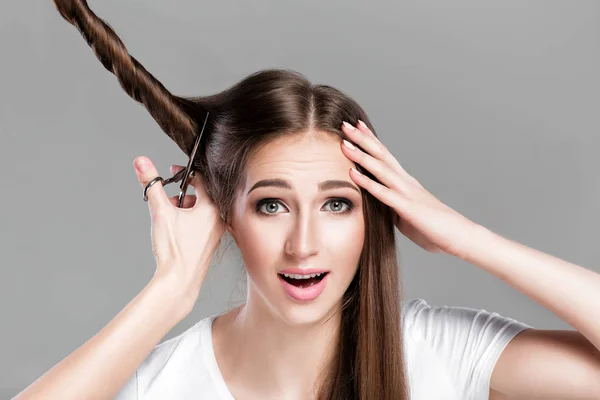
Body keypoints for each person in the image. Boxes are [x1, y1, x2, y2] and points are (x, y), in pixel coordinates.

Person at [15, 1, 600, 399]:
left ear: (373, 216)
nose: (304, 244)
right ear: (225, 215)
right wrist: (170, 290)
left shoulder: (437, 351)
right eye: (272, 205)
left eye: (337, 204)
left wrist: (469, 239)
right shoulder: (158, 380)